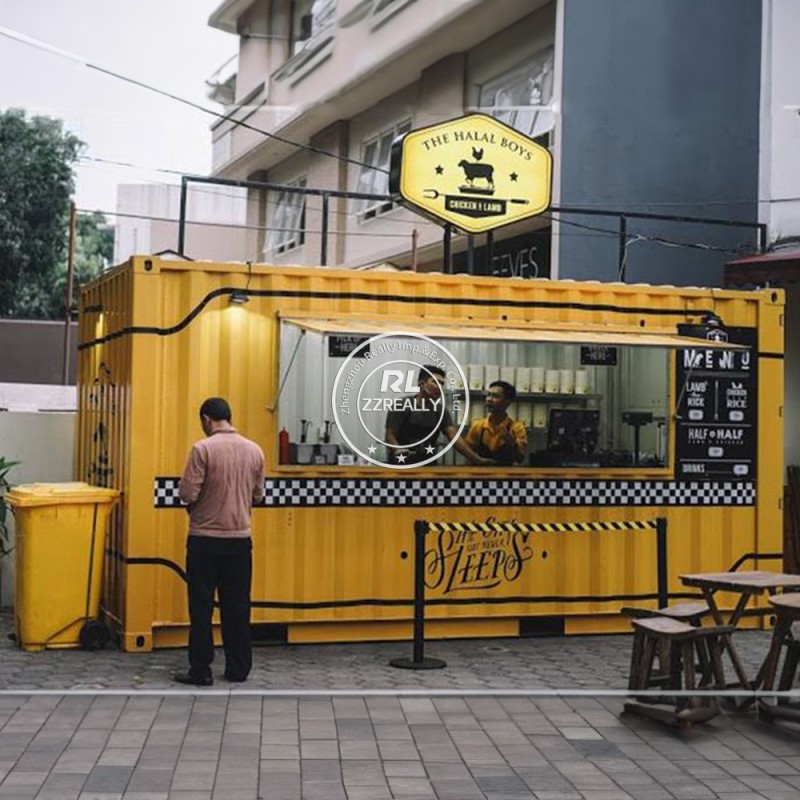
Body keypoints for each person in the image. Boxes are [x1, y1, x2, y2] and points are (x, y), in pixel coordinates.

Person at [174, 397, 265, 686]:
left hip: (204, 540)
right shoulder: (254, 450)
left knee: (201, 608)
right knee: (237, 606)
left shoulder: (203, 449)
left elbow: (187, 494)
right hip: (240, 540)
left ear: (206, 419)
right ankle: (238, 669)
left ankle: (200, 671)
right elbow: (258, 495)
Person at [384, 364, 491, 466]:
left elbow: (454, 438)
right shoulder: (402, 405)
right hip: (400, 466)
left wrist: (477, 459)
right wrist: (397, 449)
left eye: (442, 384)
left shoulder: (440, 411)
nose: (439, 387)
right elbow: (389, 435)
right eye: (435, 382)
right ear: (422, 384)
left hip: (428, 468)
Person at [463, 380, 528, 466]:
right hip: (481, 474)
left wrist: (512, 444)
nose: (489, 399)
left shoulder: (517, 428)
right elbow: (468, 454)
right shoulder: (478, 426)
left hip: (506, 476)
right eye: (488, 395)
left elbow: (520, 459)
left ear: (507, 401)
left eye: (495, 396)